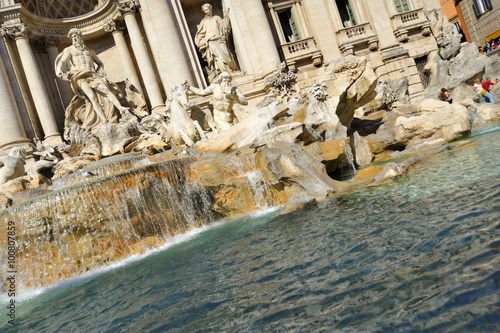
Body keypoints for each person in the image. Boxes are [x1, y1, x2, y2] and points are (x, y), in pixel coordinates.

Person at [55, 28, 129, 132]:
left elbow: (99, 63)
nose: (75, 38)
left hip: (92, 74)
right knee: (92, 97)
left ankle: (121, 109)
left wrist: (100, 70)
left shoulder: (89, 51)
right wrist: (59, 70)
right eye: (73, 36)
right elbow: (62, 62)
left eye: (77, 36)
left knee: (106, 90)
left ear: (80, 37)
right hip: (80, 76)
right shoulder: (70, 50)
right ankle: (103, 120)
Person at [194, 3, 238, 77]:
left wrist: (226, 21)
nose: (206, 12)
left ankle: (232, 70)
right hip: (211, 41)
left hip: (220, 39)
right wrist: (201, 41)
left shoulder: (217, 18)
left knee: (226, 54)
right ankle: (223, 73)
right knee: (217, 57)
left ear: (210, 9)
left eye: (207, 9)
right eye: (204, 10)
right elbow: (200, 33)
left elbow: (223, 28)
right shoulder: (203, 21)